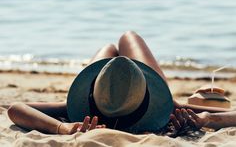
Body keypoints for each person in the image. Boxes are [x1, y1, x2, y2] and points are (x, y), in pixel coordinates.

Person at [7, 31, 236, 135]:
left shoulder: (80, 111)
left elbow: (16, 109)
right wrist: (207, 119)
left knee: (109, 51)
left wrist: (62, 127)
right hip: (131, 91)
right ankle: (118, 72)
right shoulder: (170, 111)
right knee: (129, 37)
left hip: (100, 90)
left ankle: (109, 72)